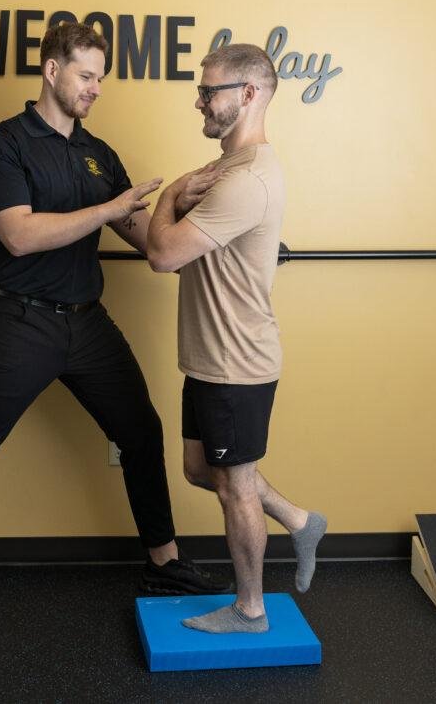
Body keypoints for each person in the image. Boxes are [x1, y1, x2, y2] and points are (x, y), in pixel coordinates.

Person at [0, 22, 229, 635]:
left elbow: (145, 236)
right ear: (52, 71)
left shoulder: (97, 152)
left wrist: (188, 204)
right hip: (18, 322)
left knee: (141, 432)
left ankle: (164, 564)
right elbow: (19, 235)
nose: (96, 88)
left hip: (86, 324)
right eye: (86, 76)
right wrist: (107, 208)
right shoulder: (3, 143)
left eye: (100, 78)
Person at [146, 44, 327, 634]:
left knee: (236, 489)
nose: (199, 101)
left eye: (209, 91)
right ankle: (299, 520)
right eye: (200, 90)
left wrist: (169, 197)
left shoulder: (247, 180)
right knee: (202, 470)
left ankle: (251, 609)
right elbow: (174, 244)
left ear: (248, 94)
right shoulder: (225, 168)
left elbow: (164, 255)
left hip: (236, 363)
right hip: (207, 357)